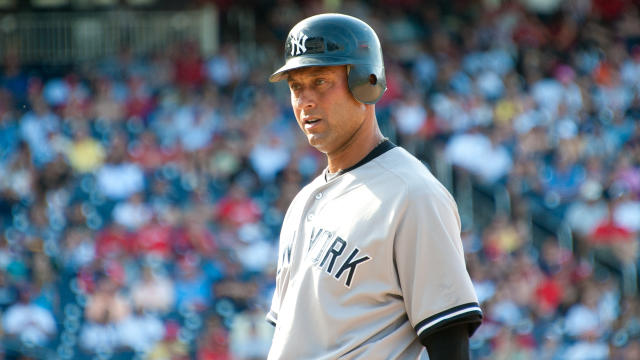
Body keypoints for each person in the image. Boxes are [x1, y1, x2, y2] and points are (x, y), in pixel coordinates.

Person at [266, 13, 482, 360]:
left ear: (366, 83)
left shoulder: (413, 194)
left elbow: (449, 338)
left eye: (320, 81)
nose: (304, 101)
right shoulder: (302, 201)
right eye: (296, 86)